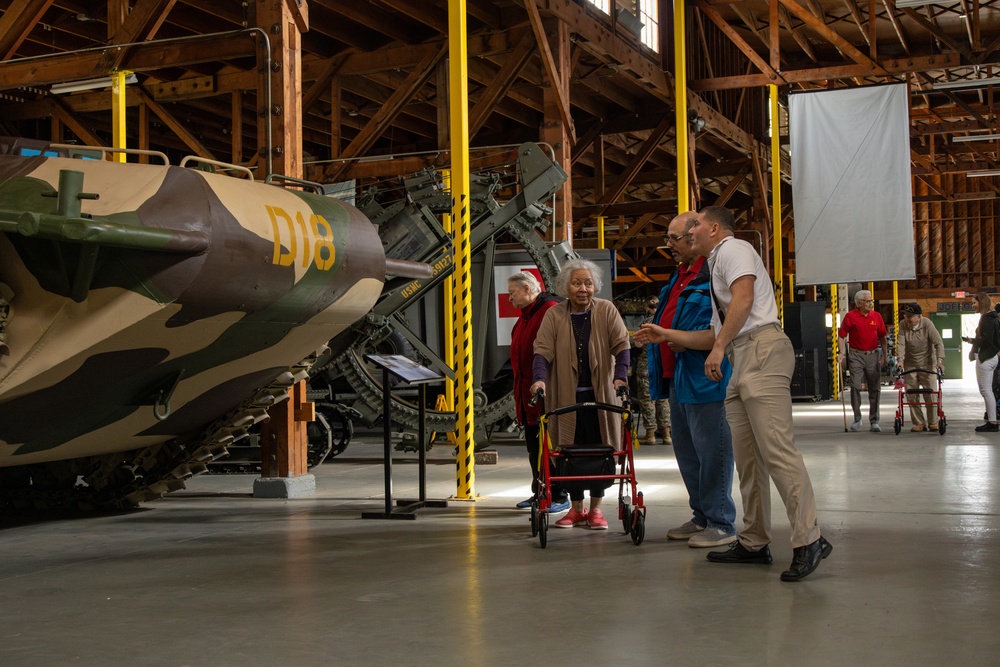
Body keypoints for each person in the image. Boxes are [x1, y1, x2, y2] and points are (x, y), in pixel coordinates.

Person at [688, 205, 831, 582]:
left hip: (761, 350)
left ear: (715, 228)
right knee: (748, 459)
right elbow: (722, 326)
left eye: (696, 224)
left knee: (778, 451)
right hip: (742, 354)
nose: (690, 230)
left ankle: (809, 538)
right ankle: (754, 540)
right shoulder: (716, 260)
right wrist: (671, 336)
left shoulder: (733, 249)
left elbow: (745, 299)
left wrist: (718, 348)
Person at [634, 211, 737, 548]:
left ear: (694, 236)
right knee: (687, 452)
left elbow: (720, 331)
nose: (670, 245)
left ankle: (721, 521)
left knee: (713, 450)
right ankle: (702, 516)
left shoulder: (714, 275)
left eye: (674, 238)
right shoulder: (681, 276)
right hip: (676, 376)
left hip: (705, 376)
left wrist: (672, 335)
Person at [530, 259, 630, 530]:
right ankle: (575, 509)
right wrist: (539, 380)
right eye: (576, 283)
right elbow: (542, 351)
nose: (582, 288)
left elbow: (622, 345)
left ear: (595, 286)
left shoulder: (607, 310)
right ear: (566, 286)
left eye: (588, 283)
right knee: (569, 455)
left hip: (602, 401)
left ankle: (596, 510)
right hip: (566, 400)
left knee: (601, 453)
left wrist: (620, 375)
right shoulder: (554, 315)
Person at [507, 272, 570, 512]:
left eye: (513, 293)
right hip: (528, 397)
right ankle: (541, 492)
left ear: (526, 288)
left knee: (551, 447)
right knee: (535, 447)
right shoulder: (525, 316)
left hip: (547, 396)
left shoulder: (549, 310)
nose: (510, 299)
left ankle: (559, 495)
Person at [837, 290, 888, 432]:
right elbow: (841, 335)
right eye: (867, 301)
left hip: (873, 354)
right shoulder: (850, 316)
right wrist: (841, 352)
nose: (870, 303)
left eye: (871, 301)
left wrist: (884, 355)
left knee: (875, 388)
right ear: (858, 303)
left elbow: (883, 337)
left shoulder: (876, 316)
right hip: (856, 355)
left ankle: (874, 421)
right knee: (855, 385)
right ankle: (857, 419)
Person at [897, 303, 945, 432]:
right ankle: (919, 423)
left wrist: (940, 361)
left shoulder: (927, 324)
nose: (908, 319)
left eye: (911, 316)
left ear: (919, 316)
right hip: (910, 362)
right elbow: (901, 342)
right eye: (906, 315)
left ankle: (933, 422)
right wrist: (900, 360)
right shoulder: (903, 324)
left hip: (927, 362)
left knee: (930, 393)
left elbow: (938, 343)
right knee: (911, 393)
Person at [635, 296, 671, 446]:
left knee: (647, 400)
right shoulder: (664, 322)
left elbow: (637, 344)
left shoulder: (646, 324)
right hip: (661, 366)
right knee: (663, 400)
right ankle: (667, 435)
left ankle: (650, 434)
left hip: (646, 366)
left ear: (648, 308)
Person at [963, 292, 1000, 432]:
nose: (973, 305)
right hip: (991, 357)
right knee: (987, 390)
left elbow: (986, 340)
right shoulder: (993, 318)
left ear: (982, 302)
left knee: (986, 391)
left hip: (986, 358)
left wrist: (972, 341)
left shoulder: (986, 319)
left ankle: (992, 422)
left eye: (974, 302)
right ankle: (992, 419)